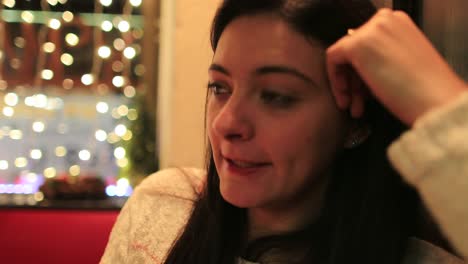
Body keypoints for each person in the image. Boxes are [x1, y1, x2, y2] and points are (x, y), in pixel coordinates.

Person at [100, 0, 468, 263]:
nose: (226, 123)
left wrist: (439, 103)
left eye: (275, 96)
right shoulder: (162, 208)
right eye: (220, 87)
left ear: (356, 122)